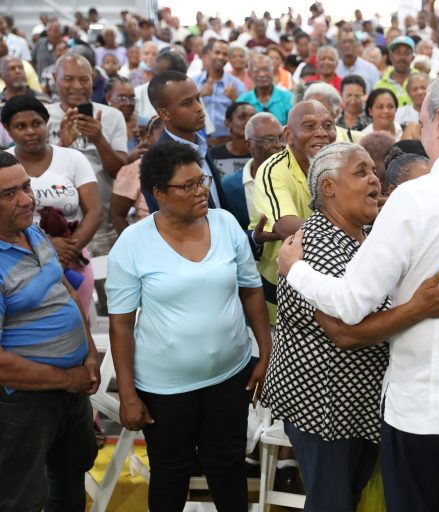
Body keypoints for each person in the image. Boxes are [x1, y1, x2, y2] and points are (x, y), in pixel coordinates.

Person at [277, 70, 439, 512]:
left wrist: (296, 270)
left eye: (421, 118)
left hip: (426, 407)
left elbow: (350, 304)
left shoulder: (417, 197)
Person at [261, 141, 439, 511]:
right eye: (361, 173)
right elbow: (345, 334)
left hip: (358, 403)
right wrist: (421, 307)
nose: (374, 179)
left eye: (373, 171)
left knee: (350, 497)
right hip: (325, 406)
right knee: (332, 503)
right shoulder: (314, 244)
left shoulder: (366, 233)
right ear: (328, 187)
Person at [106, 141, 272, 511]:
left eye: (202, 181)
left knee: (228, 467)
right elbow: (121, 325)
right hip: (165, 388)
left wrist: (265, 353)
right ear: (160, 193)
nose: (201, 191)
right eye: (188, 185)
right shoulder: (133, 243)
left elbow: (251, 291)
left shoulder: (225, 224)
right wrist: (128, 395)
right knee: (171, 473)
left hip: (230, 375)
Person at [0, 151, 100, 511]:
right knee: (21, 496)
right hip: (24, 399)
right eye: (9, 194)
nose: (27, 199)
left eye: (26, 187)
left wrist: (89, 355)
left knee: (72, 475)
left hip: (70, 388)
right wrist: (67, 379)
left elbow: (66, 290)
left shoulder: (32, 231)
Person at [3, 94, 102, 312]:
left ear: (46, 123)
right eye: (21, 126)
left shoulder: (73, 158)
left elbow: (95, 211)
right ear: (7, 129)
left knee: (78, 318)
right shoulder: (5, 164)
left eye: (36, 123)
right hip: (19, 261)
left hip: (73, 257)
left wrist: (66, 251)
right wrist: (46, 247)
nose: (30, 131)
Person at [252, 100, 337, 324]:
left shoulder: (338, 164)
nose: (322, 133)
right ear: (288, 136)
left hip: (331, 288)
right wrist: (347, 228)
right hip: (285, 293)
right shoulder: (273, 170)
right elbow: (287, 227)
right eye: (309, 126)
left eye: (328, 125)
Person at [46, 53, 128, 257]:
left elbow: (119, 171)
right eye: (68, 79)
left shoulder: (112, 116)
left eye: (84, 79)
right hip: (57, 231)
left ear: (93, 79)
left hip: (104, 227)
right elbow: (34, 172)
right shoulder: (42, 116)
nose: (77, 86)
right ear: (55, 78)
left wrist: (98, 138)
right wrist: (62, 146)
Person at [146, 70, 228, 212]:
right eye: (187, 103)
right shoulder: (157, 163)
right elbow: (168, 220)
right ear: (164, 114)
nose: (199, 108)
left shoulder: (200, 145)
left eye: (198, 99)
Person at [221, 112, 284, 236]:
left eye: (281, 138)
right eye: (269, 139)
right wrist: (254, 238)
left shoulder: (298, 178)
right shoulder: (228, 187)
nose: (278, 145)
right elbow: (226, 233)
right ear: (249, 145)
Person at [110, 116, 164, 236]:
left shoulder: (191, 165)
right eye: (164, 136)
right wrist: (134, 243)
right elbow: (117, 214)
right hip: (150, 237)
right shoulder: (135, 169)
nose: (172, 142)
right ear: (149, 138)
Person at [193, 40, 247, 142]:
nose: (221, 57)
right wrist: (199, 95)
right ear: (209, 54)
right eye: (217, 52)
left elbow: (246, 115)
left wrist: (235, 99)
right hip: (198, 138)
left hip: (227, 140)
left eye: (225, 54)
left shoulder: (237, 85)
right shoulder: (194, 82)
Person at [237, 52, 293, 126]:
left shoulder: (288, 98)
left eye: (266, 69)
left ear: (273, 72)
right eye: (256, 70)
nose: (262, 74)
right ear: (250, 74)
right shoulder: (243, 101)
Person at [209, 101, 257, 176]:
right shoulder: (213, 155)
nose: (249, 122)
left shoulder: (262, 154)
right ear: (228, 123)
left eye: (253, 118)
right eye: (242, 117)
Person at [335, 27, 379, 95]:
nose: (347, 45)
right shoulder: (334, 68)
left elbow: (376, 95)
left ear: (357, 44)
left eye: (351, 41)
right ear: (339, 46)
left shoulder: (370, 69)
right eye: (344, 42)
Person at [375, 36, 416, 107]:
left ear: (412, 57)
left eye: (406, 53)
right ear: (391, 57)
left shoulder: (422, 82)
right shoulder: (380, 85)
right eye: (398, 53)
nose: (402, 57)